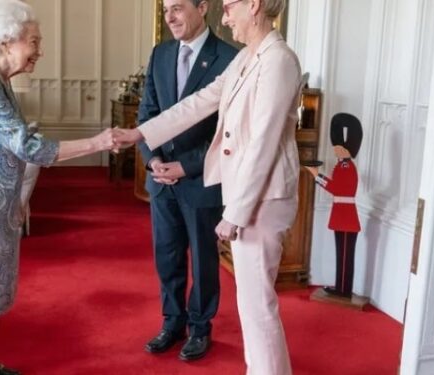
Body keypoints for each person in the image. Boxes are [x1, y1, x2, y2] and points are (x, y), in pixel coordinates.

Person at [113, 0, 301, 373]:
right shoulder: (250, 57)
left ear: (255, 5)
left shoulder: (278, 60)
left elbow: (262, 144)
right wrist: (140, 132)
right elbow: (199, 103)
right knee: (251, 304)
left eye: (229, 7)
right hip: (251, 194)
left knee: (258, 305)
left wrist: (236, 213)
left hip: (262, 198)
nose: (225, 16)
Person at [0, 1, 118, 374]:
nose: (40, 50)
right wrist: (98, 143)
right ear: (6, 42)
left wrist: (17, 196)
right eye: (34, 41)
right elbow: (29, 147)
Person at [138, 0, 237, 362]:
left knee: (203, 262)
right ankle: (172, 322)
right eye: (165, 10)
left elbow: (230, 132)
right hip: (162, 179)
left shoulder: (229, 58)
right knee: (167, 256)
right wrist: (153, 160)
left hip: (202, 180)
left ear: (203, 7)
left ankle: (199, 328)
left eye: (178, 8)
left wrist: (187, 166)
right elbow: (147, 111)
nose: (169, 17)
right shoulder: (160, 54)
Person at [305, 113, 363, 299]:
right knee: (342, 254)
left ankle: (344, 289)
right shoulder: (342, 166)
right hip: (342, 214)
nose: (335, 151)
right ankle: (341, 286)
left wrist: (317, 176)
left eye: (338, 148)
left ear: (347, 150)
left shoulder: (347, 167)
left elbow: (337, 188)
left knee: (345, 255)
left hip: (346, 216)